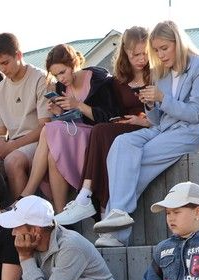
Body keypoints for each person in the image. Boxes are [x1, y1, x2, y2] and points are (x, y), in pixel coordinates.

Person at [93, 21, 199, 247]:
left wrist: (161, 99)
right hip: (163, 129)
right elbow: (157, 119)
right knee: (121, 144)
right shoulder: (161, 71)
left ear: (177, 43)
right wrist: (149, 104)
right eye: (156, 50)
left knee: (134, 161)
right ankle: (117, 217)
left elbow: (196, 113)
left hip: (189, 132)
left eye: (164, 48)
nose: (159, 54)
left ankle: (115, 229)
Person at [57, 26, 152, 225]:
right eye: (135, 54)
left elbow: (165, 111)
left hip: (150, 128)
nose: (141, 58)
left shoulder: (158, 74)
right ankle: (88, 198)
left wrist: (144, 121)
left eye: (145, 53)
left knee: (101, 132)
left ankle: (85, 197)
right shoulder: (119, 80)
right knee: (101, 131)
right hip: (125, 126)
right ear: (126, 52)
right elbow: (115, 111)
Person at [19, 44, 120, 212]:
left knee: (47, 129)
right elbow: (70, 121)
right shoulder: (61, 88)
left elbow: (109, 117)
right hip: (74, 135)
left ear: (73, 65)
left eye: (62, 72)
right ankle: (61, 214)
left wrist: (78, 105)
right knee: (52, 157)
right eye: (56, 75)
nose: (60, 79)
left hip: (96, 137)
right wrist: (59, 112)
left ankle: (27, 192)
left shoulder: (98, 79)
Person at [0, 33, 51, 198]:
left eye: (5, 62)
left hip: (41, 142)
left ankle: (20, 217)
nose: (2, 69)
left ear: (19, 55)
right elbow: (0, 131)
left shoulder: (41, 78)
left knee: (12, 161)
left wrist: (11, 146)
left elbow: (46, 126)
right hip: (14, 144)